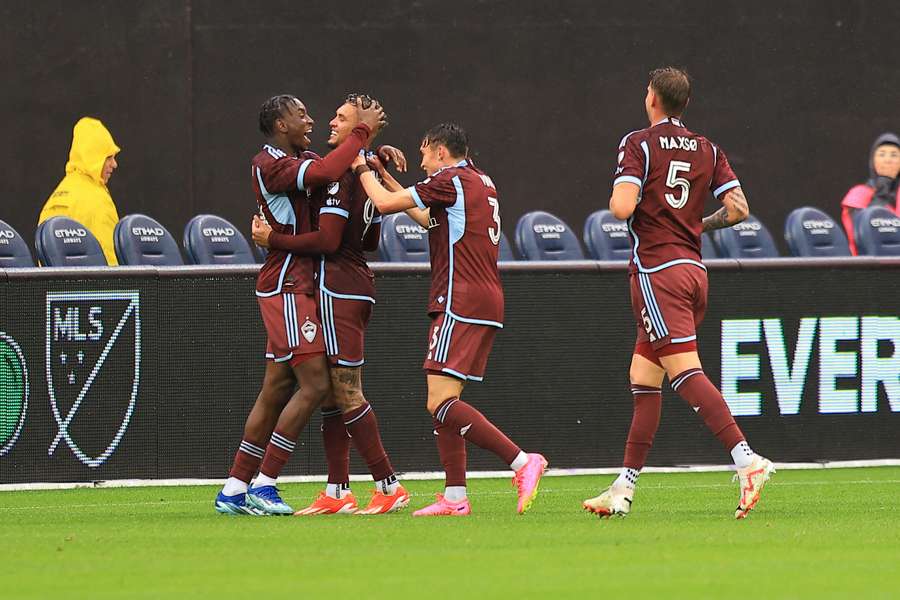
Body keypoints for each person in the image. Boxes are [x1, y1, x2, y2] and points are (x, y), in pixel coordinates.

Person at [582, 67, 774, 520]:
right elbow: (739, 209)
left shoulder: (638, 142)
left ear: (651, 98)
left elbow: (621, 206)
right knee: (644, 378)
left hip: (657, 271)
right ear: (684, 104)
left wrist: (630, 202)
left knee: (685, 373)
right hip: (692, 270)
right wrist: (695, 224)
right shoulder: (708, 147)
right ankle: (623, 489)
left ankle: (746, 459)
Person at [352, 123, 547, 517]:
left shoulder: (449, 178)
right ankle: (455, 498)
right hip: (485, 299)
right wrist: (386, 177)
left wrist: (360, 168)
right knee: (446, 399)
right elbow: (427, 220)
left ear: (441, 152)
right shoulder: (479, 180)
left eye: (424, 154)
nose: (421, 162)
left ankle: (522, 462)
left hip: (460, 299)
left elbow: (386, 207)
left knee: (439, 402)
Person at [214, 94, 385, 515]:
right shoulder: (269, 164)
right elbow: (329, 168)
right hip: (288, 282)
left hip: (294, 282)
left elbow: (336, 165)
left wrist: (374, 155)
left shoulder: (300, 156)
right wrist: (363, 130)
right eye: (300, 114)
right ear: (279, 124)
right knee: (316, 385)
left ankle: (234, 489)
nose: (310, 119)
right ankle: (266, 484)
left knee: (276, 389)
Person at [251, 93, 410, 515]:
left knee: (345, 391)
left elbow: (327, 241)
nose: (328, 123)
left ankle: (388, 484)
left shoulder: (343, 173)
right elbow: (372, 238)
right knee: (331, 396)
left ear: (363, 126)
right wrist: (371, 156)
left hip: (337, 287)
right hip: (351, 284)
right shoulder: (361, 168)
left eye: (340, 118)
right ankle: (338, 490)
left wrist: (274, 240)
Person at [39, 117, 121, 265]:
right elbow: (111, 262)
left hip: (54, 287)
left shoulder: (55, 198)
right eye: (108, 157)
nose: (114, 164)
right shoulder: (98, 199)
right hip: (94, 287)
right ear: (93, 157)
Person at [840, 132, 900, 255]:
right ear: (873, 161)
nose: (888, 160)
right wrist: (883, 189)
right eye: (882, 154)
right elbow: (863, 236)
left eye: (894, 155)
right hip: (871, 267)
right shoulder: (858, 194)